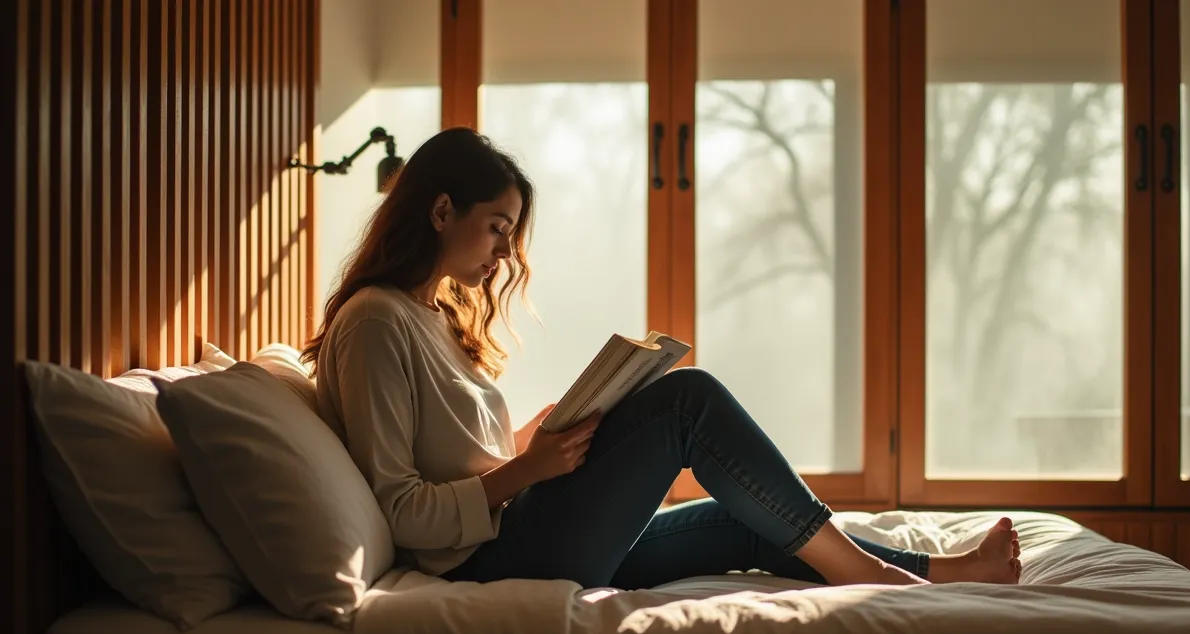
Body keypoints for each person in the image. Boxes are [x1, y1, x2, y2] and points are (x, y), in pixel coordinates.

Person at [303, 127, 1022, 591]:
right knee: (687, 398)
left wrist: (532, 444)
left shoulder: (431, 315)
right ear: (440, 212)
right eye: (496, 229)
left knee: (747, 518)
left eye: (510, 234)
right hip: (489, 563)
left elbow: (453, 464)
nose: (504, 253)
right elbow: (399, 511)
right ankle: (871, 575)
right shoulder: (374, 323)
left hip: (518, 526)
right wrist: (526, 470)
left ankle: (942, 572)